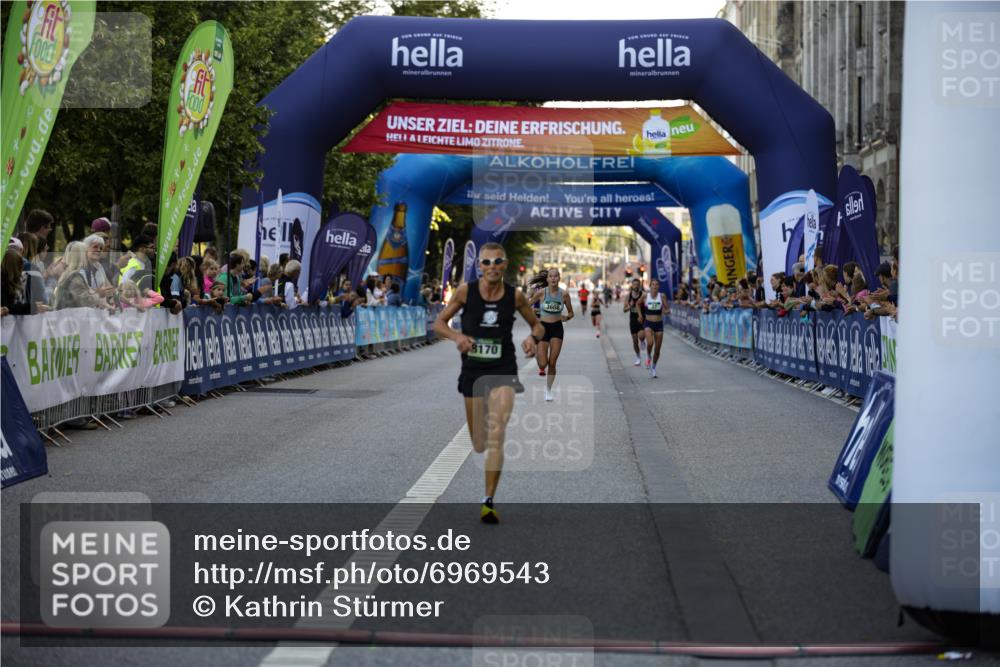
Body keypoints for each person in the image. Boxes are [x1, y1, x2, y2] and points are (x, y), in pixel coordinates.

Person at [433, 242, 544, 524]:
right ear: (479, 266)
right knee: (479, 443)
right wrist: (458, 337)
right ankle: (485, 475)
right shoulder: (465, 291)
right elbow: (440, 323)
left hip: (503, 367)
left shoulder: (515, 296)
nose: (492, 267)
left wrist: (533, 338)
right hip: (472, 371)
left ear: (505, 265)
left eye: (497, 262)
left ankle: (488, 500)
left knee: (497, 432)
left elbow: (538, 325)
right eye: (486, 263)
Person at [528, 269, 573, 402]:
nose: (553, 279)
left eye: (556, 276)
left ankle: (548, 390)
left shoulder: (564, 295)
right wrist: (534, 311)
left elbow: (571, 313)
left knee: (552, 362)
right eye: (551, 276)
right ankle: (538, 352)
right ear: (547, 279)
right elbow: (527, 305)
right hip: (543, 329)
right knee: (543, 364)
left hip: (557, 329)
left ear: (559, 278)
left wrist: (566, 317)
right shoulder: (541, 292)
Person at [53, 242, 115, 311]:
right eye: (86, 253)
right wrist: (99, 294)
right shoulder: (75, 277)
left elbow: (88, 293)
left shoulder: (68, 274)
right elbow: (86, 301)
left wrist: (107, 305)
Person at [638, 278, 669, 378]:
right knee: (650, 342)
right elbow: (638, 304)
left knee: (657, 350)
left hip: (659, 324)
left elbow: (666, 308)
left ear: (658, 286)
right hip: (648, 323)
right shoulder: (645, 296)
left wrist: (666, 311)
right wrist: (640, 315)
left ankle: (654, 367)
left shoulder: (662, 296)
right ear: (650, 286)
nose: (655, 286)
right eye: (653, 284)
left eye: (656, 284)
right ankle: (648, 356)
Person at [623, 278, 645, 366]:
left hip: (641, 318)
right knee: (635, 340)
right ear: (632, 285)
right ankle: (638, 357)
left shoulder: (642, 295)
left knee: (641, 336)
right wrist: (630, 306)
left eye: (637, 284)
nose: (636, 286)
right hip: (632, 319)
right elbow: (624, 310)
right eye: (634, 284)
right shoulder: (628, 296)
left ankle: (643, 340)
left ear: (639, 286)